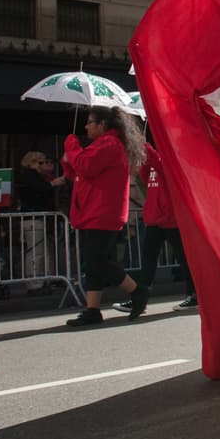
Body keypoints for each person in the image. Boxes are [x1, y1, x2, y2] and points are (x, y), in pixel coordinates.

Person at [62, 106, 148, 326]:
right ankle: (93, 309)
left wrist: (71, 145)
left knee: (98, 261)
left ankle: (137, 291)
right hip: (95, 211)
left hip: (100, 211)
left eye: (90, 122)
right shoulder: (105, 144)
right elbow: (79, 172)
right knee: (95, 263)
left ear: (102, 125)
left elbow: (84, 166)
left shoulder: (109, 144)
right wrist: (70, 158)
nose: (86, 126)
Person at [112, 135, 196, 315]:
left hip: (172, 219)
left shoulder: (170, 164)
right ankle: (140, 298)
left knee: (184, 259)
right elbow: (146, 171)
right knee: (148, 261)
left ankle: (194, 294)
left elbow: (155, 162)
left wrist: (141, 142)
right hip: (156, 219)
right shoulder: (153, 168)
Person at [14, 151, 65, 292]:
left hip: (40, 217)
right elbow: (38, 190)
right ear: (30, 162)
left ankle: (44, 281)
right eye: (40, 162)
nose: (42, 165)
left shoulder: (36, 176)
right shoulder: (27, 176)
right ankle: (35, 284)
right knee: (35, 252)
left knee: (42, 252)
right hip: (33, 217)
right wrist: (52, 183)